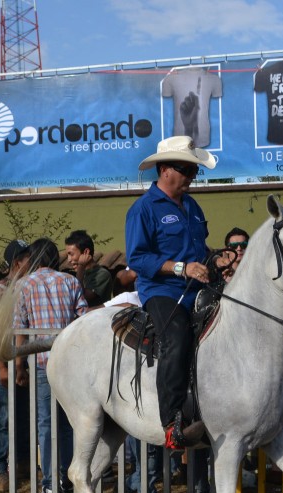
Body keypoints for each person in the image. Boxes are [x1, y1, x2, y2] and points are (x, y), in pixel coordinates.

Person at [124, 135, 216, 450]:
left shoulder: (192, 205)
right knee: (176, 336)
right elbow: (136, 259)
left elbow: (199, 248)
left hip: (198, 288)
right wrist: (181, 268)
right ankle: (171, 422)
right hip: (161, 291)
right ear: (165, 170)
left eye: (194, 171)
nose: (191, 177)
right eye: (186, 170)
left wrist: (216, 258)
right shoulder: (143, 209)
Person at [13, 238, 87, 493]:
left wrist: (20, 366)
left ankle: (49, 486)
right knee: (68, 425)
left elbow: (20, 329)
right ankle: (66, 482)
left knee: (45, 424)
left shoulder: (25, 285)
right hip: (70, 363)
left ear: (33, 259)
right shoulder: (70, 282)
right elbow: (83, 320)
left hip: (42, 363)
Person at [0, 240, 33, 493]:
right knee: (4, 419)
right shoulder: (1, 290)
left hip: (21, 363)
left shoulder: (26, 287)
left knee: (24, 415)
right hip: (4, 362)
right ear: (18, 262)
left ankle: (23, 464)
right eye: (28, 258)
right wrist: (2, 367)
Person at [64, 229, 113, 307]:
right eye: (68, 255)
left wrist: (80, 267)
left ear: (86, 252)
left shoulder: (102, 274)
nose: (69, 260)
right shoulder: (76, 274)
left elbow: (81, 297)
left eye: (71, 254)